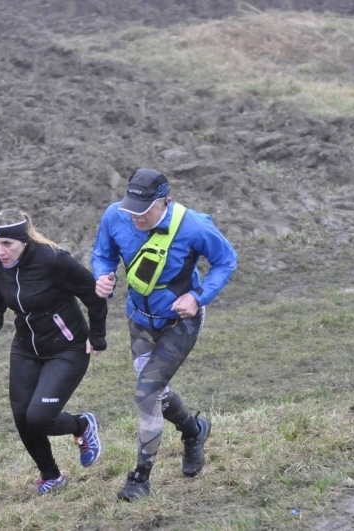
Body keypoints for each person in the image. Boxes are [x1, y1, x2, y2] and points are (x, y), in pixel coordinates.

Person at [91, 168, 237, 501]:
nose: (135, 217)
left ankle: (140, 478)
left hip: (179, 324)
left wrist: (198, 297)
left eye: (143, 210)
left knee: (146, 392)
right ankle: (193, 431)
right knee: (155, 391)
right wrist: (102, 275)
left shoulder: (194, 226)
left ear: (165, 202)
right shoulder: (116, 216)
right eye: (131, 208)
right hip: (139, 321)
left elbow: (226, 261)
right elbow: (103, 253)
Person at [0, 208, 108, 494]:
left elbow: (94, 294)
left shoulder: (54, 260)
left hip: (68, 347)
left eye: (7, 244)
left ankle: (82, 425)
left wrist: (97, 336)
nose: (0, 251)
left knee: (39, 417)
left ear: (23, 240)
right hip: (25, 348)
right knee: (22, 417)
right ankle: (52, 476)